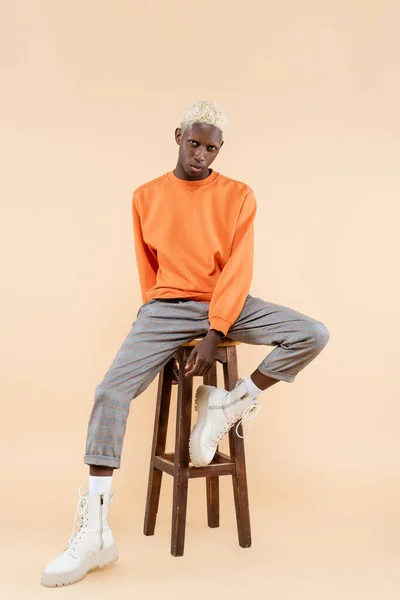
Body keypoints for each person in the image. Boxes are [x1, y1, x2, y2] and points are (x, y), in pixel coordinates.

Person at [41, 100, 330, 587]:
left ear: (221, 150)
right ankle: (95, 535)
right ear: (178, 135)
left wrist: (216, 332)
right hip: (164, 308)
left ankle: (231, 403)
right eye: (194, 143)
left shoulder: (239, 194)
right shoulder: (145, 195)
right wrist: (156, 329)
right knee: (109, 393)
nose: (201, 155)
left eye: (211, 148)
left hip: (227, 302)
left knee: (312, 332)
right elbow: (148, 269)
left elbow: (237, 268)